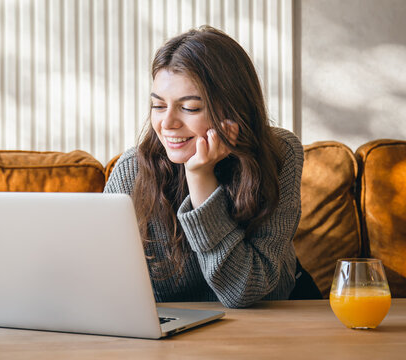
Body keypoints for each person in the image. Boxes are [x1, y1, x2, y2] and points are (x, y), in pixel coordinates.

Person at [104, 26, 320, 308]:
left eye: (190, 108)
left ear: (232, 109)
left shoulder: (279, 153)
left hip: (272, 319)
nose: (167, 123)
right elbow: (98, 281)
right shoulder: (132, 170)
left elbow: (245, 291)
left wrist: (200, 178)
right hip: (173, 330)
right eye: (158, 106)